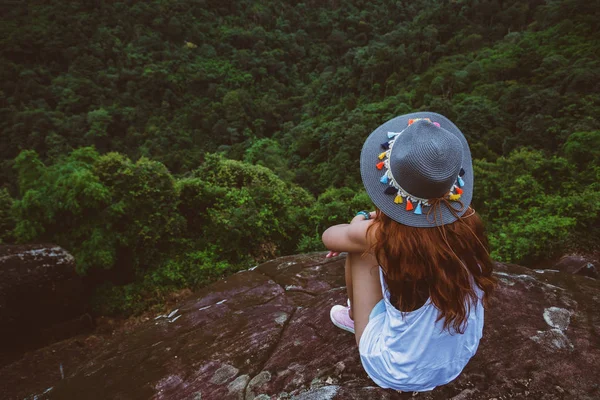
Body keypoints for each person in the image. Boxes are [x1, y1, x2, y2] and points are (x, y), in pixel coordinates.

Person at [322, 112, 496, 392]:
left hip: (397, 370)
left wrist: (362, 220)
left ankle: (355, 317)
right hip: (456, 359)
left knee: (359, 251)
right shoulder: (468, 224)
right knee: (366, 246)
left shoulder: (385, 236)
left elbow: (330, 237)